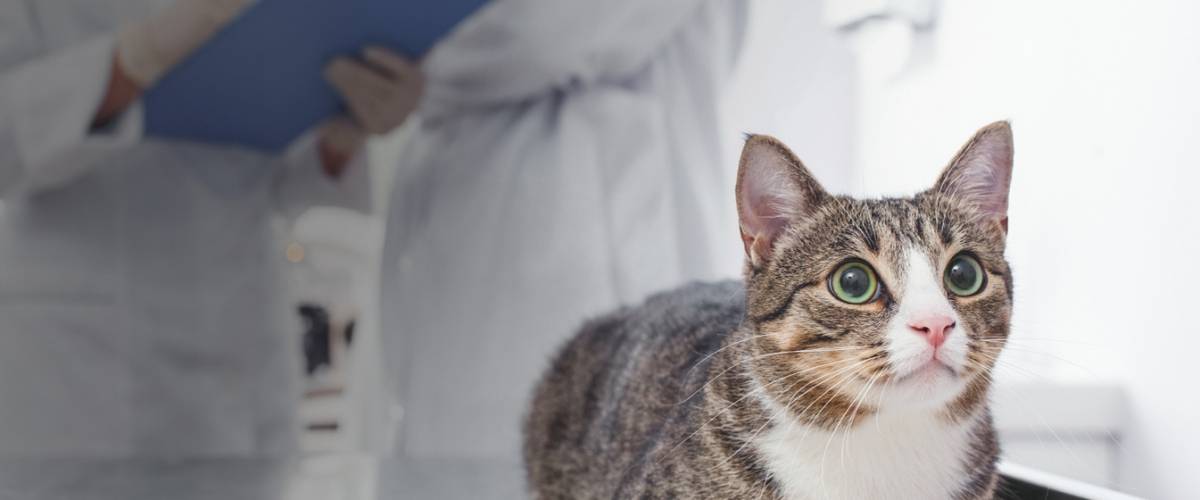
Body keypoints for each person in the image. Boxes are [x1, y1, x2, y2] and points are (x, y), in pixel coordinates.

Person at [0, 0, 420, 455]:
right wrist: (130, 62)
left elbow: (268, 177)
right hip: (82, 373)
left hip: (246, 358)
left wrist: (342, 133)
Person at [378, 0, 748, 459]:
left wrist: (403, 69)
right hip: (461, 245)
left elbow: (544, 34)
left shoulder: (446, 71)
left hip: (581, 250)